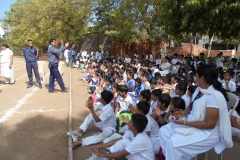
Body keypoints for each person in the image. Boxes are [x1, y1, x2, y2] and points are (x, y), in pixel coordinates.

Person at [159, 65, 233, 160]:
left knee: (173, 143)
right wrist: (184, 113)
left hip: (209, 132)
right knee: (163, 131)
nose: (195, 78)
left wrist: (185, 122)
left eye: (196, 75)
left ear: (202, 78)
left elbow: (210, 125)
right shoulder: (199, 89)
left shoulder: (213, 97)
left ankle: (174, 155)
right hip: (194, 123)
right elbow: (191, 105)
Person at [90, 114, 155, 160]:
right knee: (124, 141)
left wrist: (101, 154)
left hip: (144, 159)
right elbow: (119, 139)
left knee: (124, 144)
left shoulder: (140, 139)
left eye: (130, 122)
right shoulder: (133, 131)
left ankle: (102, 157)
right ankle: (105, 157)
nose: (128, 122)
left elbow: (121, 154)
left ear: (133, 127)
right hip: (140, 155)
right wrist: (102, 146)